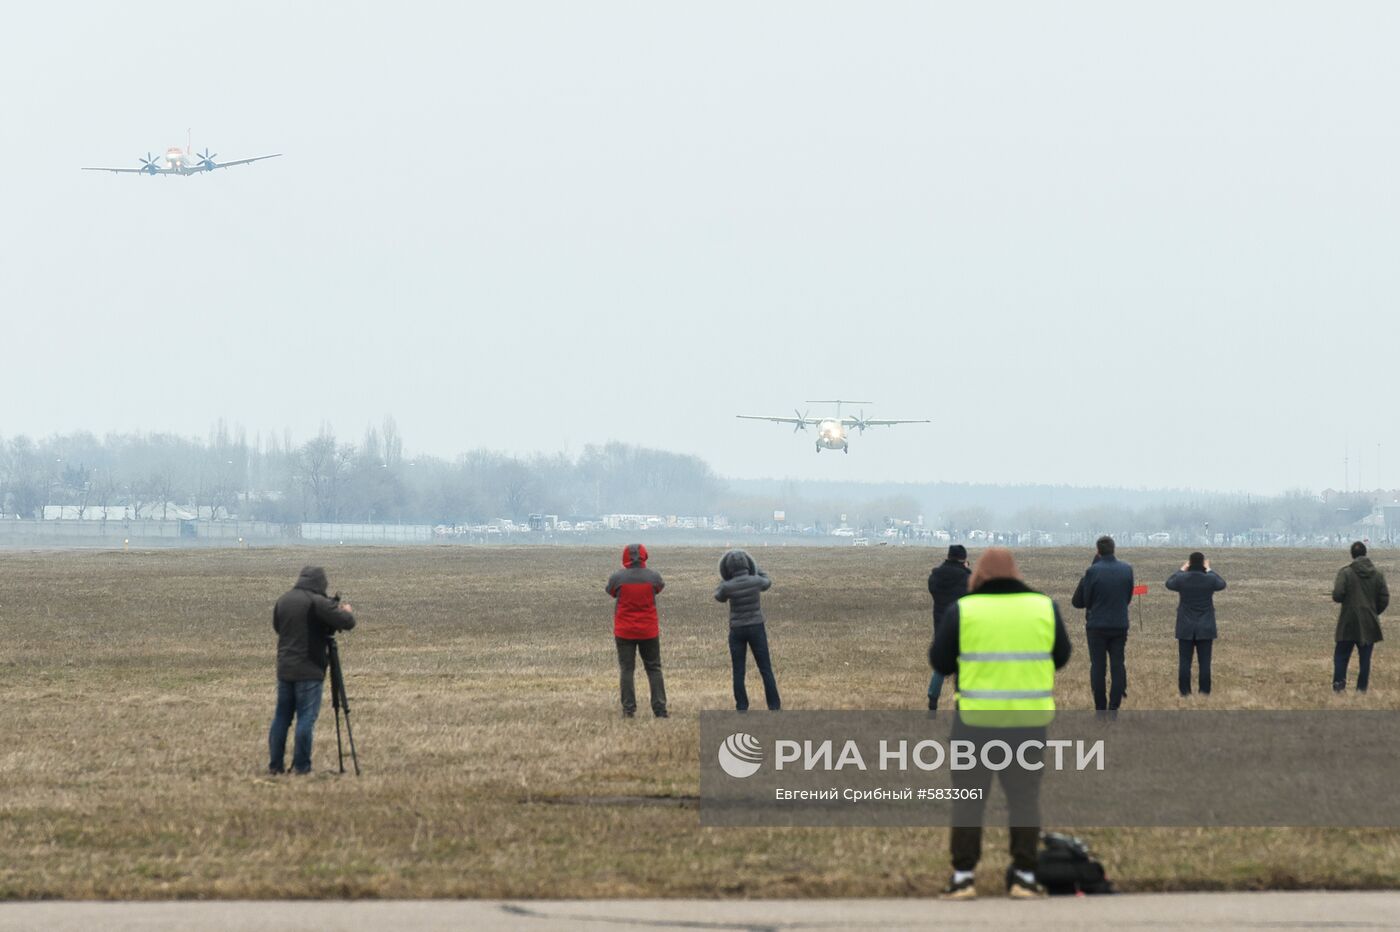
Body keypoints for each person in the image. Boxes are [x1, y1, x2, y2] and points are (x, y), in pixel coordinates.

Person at [930, 547, 1072, 900]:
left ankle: (963, 876)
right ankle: (1024, 875)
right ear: (1015, 572)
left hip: (974, 722)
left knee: (968, 799)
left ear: (977, 572)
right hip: (1028, 723)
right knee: (1024, 800)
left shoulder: (964, 609)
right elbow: (1062, 656)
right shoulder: (1043, 606)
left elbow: (940, 660)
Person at [268, 566, 356, 775]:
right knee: (306, 718)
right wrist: (346, 612)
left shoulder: (284, 600)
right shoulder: (316, 602)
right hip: (309, 669)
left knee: (282, 717)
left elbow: (278, 627)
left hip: (285, 668)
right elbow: (347, 623)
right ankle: (301, 767)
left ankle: (275, 766)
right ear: (320, 584)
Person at [1071, 536, 1133, 713]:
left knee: (1098, 666)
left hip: (1097, 625)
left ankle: (1100, 707)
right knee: (1118, 664)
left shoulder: (1092, 572)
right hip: (1119, 624)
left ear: (1097, 551)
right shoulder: (1127, 570)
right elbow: (1127, 597)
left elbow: (1087, 599)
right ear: (1114, 549)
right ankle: (1114, 706)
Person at [606, 543, 668, 718]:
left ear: (625, 557)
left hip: (624, 631)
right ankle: (660, 709)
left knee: (627, 669)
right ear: (644, 556)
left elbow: (610, 591)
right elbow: (659, 588)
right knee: (654, 668)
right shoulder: (653, 577)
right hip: (648, 630)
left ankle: (628, 709)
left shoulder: (618, 578)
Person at [716, 549, 780, 711]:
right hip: (757, 627)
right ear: (747, 564)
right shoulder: (756, 581)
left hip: (737, 629)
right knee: (765, 668)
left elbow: (719, 596)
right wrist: (756, 568)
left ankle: (742, 706)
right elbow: (767, 581)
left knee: (738, 670)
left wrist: (724, 580)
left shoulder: (727, 586)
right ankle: (774, 706)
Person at [1165, 552, 1227, 696]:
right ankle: (1204, 692)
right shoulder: (1209, 579)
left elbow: (1169, 583)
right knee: (1205, 663)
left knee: (1185, 662)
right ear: (1203, 563)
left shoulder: (1181, 579)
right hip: (1206, 626)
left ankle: (1184, 692)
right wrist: (1210, 569)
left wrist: (1182, 569)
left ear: (1190, 563)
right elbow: (1222, 584)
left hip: (1185, 627)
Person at [1332, 541, 1387, 693]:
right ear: (1365, 553)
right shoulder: (1377, 574)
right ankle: (1361, 689)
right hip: (1369, 622)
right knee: (1365, 659)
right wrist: (1373, 612)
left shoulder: (1346, 573)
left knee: (1341, 656)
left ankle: (1339, 686)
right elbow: (1384, 598)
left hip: (1348, 622)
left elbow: (1337, 595)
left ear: (1352, 555)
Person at [927, 545, 971, 710]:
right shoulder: (967, 578)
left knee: (940, 666)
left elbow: (933, 588)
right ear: (963, 559)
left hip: (941, 625)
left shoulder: (936, 575)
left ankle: (933, 699)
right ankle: (961, 702)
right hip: (962, 627)